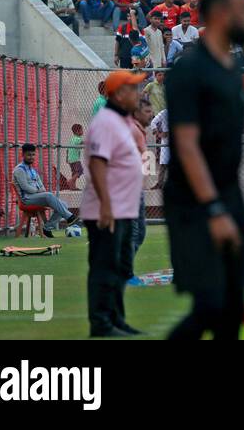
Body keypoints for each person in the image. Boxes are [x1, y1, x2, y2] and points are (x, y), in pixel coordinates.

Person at [164, 0, 244, 340]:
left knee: (232, 310)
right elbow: (186, 146)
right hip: (195, 203)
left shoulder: (231, 67)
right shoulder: (190, 70)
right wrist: (214, 209)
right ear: (220, 14)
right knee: (210, 306)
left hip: (229, 195)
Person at [83, 70, 147, 337]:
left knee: (119, 266)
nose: (139, 94)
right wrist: (106, 206)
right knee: (104, 266)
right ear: (119, 94)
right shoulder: (106, 122)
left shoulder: (119, 121)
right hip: (107, 210)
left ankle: (116, 319)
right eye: (133, 89)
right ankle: (101, 324)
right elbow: (98, 162)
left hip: (122, 209)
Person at [13, 143, 76, 237]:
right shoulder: (19, 170)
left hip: (36, 197)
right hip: (26, 199)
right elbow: (25, 187)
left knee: (64, 204)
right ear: (23, 155)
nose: (31, 157)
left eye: (33, 154)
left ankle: (47, 228)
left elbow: (41, 185)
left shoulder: (32, 169)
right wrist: (40, 192)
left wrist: (42, 191)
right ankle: (69, 217)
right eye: (29, 155)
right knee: (49, 195)